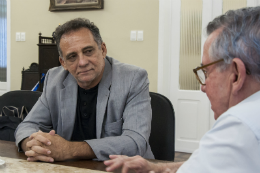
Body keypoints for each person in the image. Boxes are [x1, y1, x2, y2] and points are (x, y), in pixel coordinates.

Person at [104, 7, 260, 173]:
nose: (203, 87)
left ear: (235, 75)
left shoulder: (240, 126)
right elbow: (205, 164)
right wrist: (156, 167)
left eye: (206, 72)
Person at [15, 18, 154, 162]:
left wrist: (69, 150)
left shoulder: (133, 78)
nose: (82, 62)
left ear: (103, 49)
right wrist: (31, 145)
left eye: (88, 51)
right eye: (72, 56)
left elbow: (135, 142)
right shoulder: (54, 79)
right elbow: (28, 125)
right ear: (63, 63)